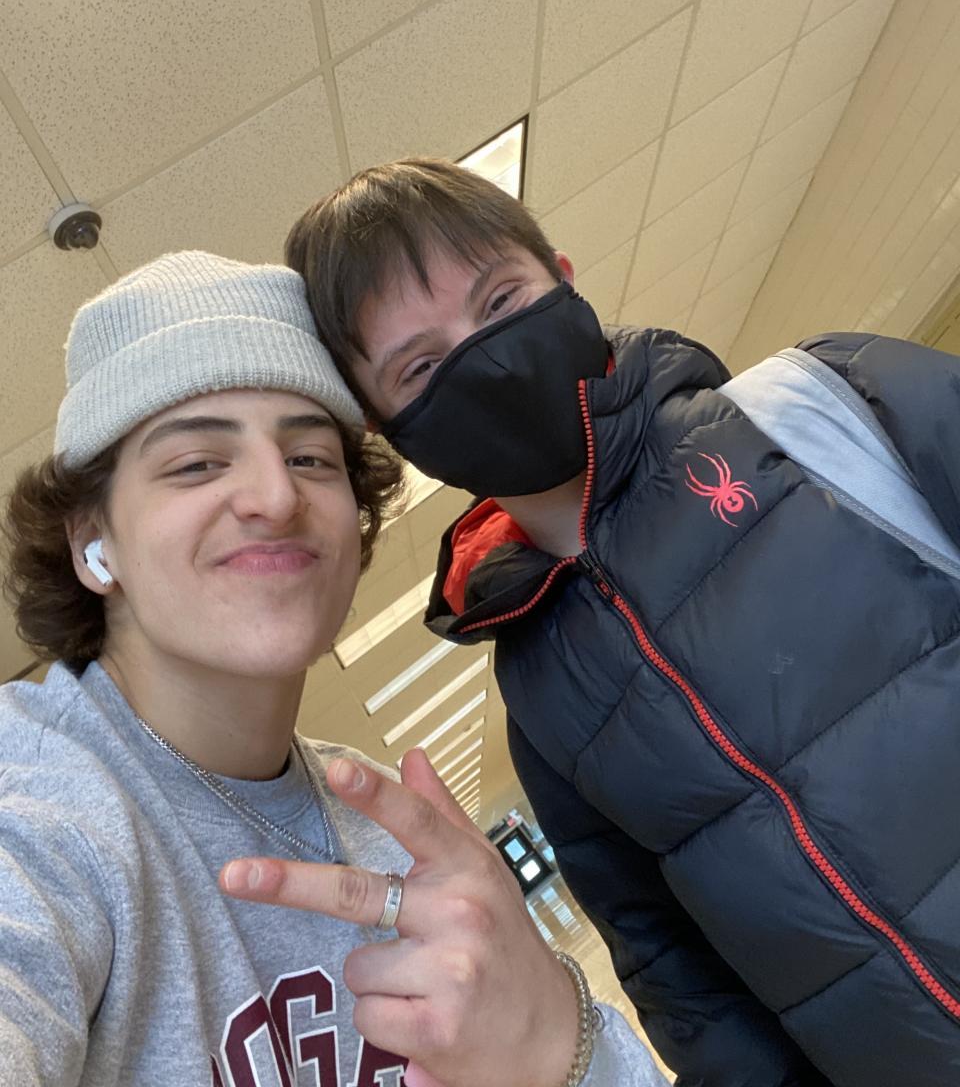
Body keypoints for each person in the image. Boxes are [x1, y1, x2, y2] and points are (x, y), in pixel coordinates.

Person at [286, 158, 960, 1087]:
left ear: (564, 278)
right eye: (423, 367)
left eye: (501, 301)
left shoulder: (830, 405)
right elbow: (684, 985)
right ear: (390, 433)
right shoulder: (539, 695)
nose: (487, 358)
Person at [0, 250, 666, 1087]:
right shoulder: (38, 799)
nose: (276, 497)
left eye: (311, 458)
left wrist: (557, 1042)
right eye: (197, 463)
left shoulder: (395, 834)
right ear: (91, 543)